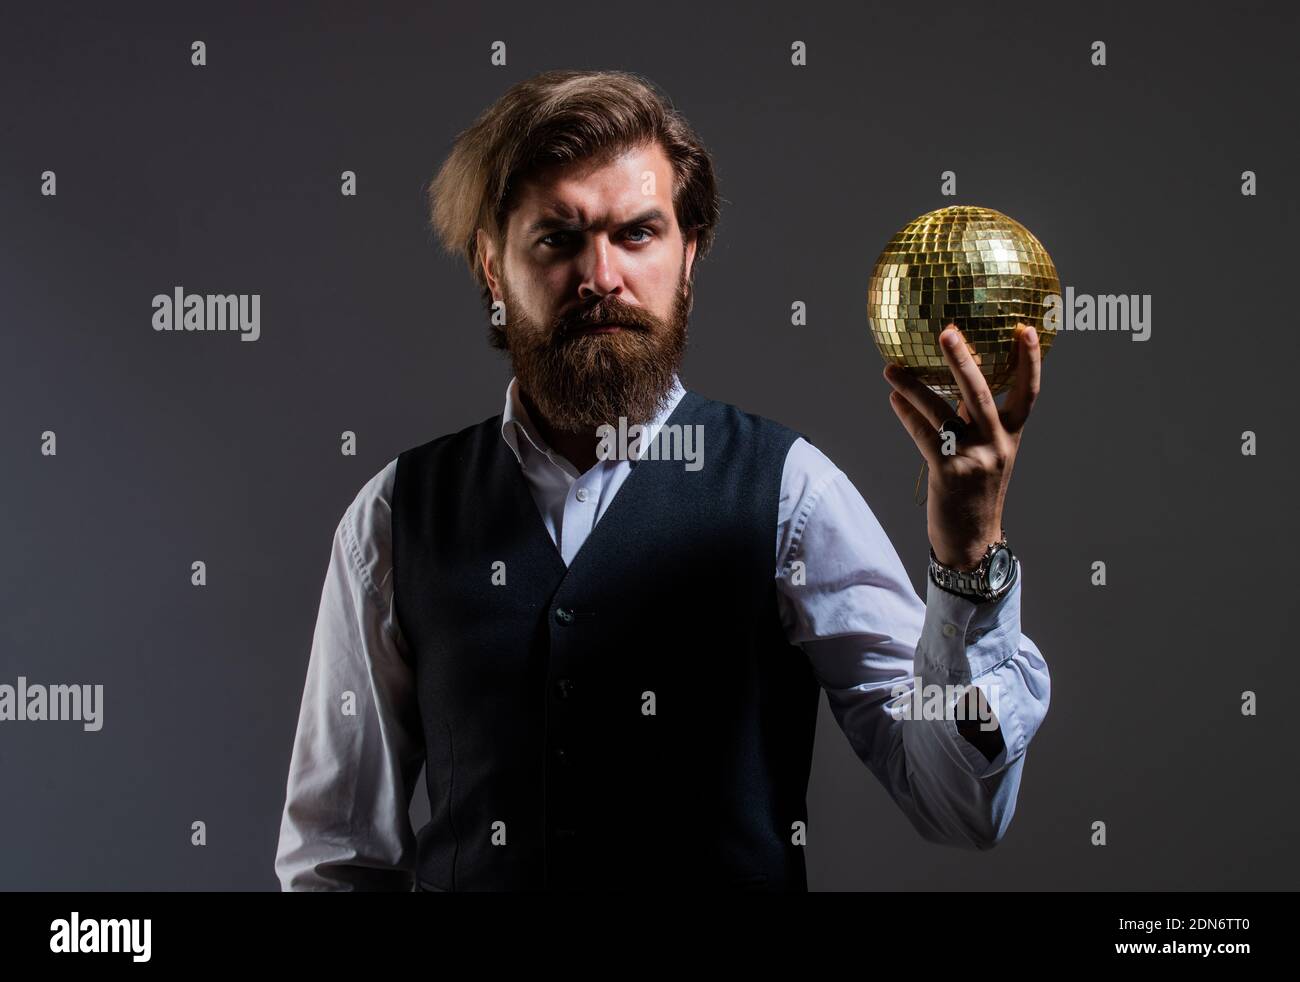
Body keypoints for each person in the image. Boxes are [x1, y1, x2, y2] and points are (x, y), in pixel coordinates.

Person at [274, 69, 1050, 892]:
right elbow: (336, 860)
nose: (600, 277)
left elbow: (957, 803)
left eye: (637, 234)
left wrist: (969, 560)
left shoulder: (790, 493)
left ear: (689, 257)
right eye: (557, 239)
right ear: (494, 270)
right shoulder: (396, 517)